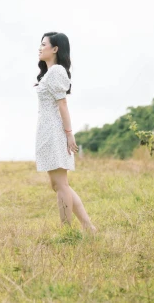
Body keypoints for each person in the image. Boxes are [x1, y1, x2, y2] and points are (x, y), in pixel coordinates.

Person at [35, 32, 96, 233]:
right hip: (47, 131)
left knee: (61, 184)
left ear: (55, 49)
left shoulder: (57, 71)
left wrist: (69, 134)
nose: (40, 47)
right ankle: (88, 227)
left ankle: (67, 231)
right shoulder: (49, 72)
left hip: (54, 131)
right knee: (58, 184)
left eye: (44, 44)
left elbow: (62, 104)